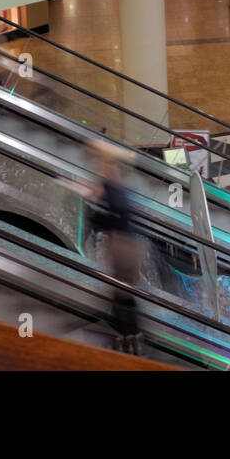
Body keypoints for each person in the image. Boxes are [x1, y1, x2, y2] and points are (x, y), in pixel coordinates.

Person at [88, 138, 143, 354]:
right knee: (121, 293)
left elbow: (106, 216)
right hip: (126, 244)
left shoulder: (113, 189)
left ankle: (129, 336)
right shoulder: (119, 188)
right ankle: (124, 331)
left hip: (123, 246)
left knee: (123, 295)